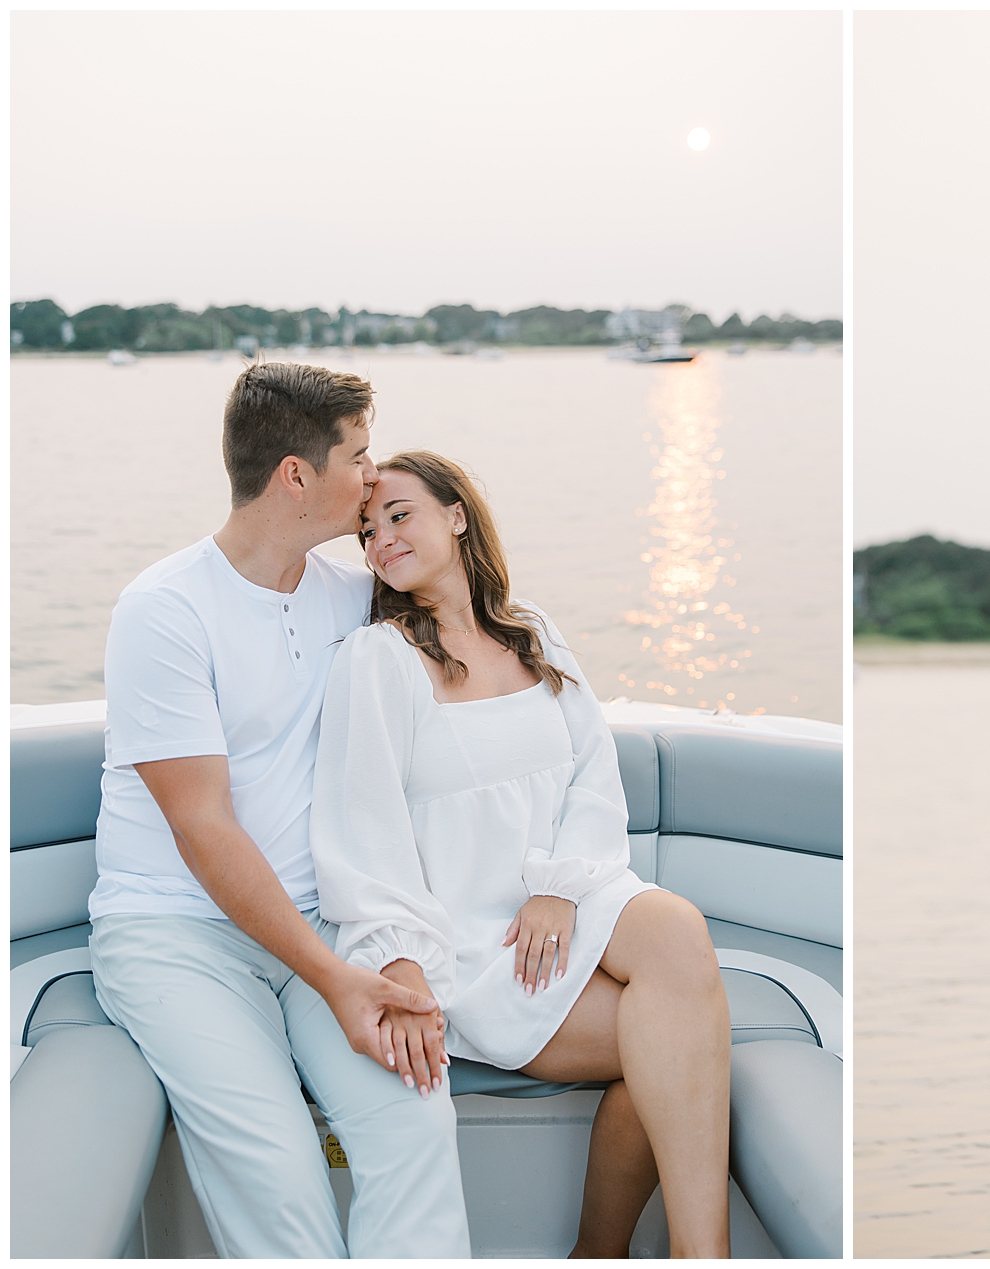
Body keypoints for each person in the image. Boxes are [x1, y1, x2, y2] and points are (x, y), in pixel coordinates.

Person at [88, 362, 470, 1257]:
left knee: (417, 1117)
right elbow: (204, 830)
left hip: (320, 924)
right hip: (176, 933)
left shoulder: (350, 597)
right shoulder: (164, 611)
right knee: (282, 1173)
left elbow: (468, 641)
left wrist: (391, 950)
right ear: (296, 475)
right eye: (360, 456)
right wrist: (339, 978)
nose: (374, 479)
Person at [309, 451, 732, 1259]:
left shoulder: (532, 628)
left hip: (573, 899)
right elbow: (364, 831)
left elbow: (593, 779)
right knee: (676, 1043)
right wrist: (401, 963)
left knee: (676, 930)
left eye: (400, 514)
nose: (382, 540)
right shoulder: (379, 659)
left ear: (456, 514)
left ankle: (689, 1254)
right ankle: (621, 1253)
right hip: (474, 943)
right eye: (367, 531)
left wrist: (561, 887)